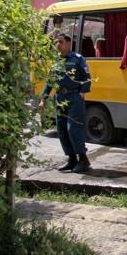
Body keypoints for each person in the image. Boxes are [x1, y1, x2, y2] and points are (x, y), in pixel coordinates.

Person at [39, 33, 92, 173]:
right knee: (62, 130)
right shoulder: (56, 61)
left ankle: (83, 159)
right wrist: (43, 99)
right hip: (60, 98)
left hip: (74, 97)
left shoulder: (78, 59)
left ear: (69, 43)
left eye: (61, 42)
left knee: (73, 129)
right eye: (56, 42)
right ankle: (71, 159)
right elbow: (50, 81)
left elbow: (86, 77)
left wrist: (82, 91)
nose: (57, 45)